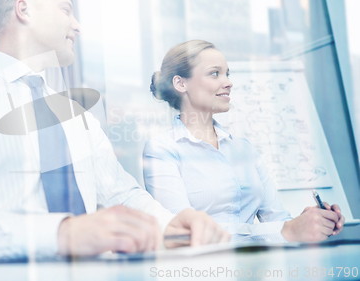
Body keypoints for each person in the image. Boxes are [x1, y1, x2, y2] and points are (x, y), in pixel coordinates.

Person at [0, 0, 230, 265]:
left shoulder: (76, 116)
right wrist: (61, 234)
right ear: (24, 10)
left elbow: (120, 194)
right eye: (66, 10)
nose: (77, 25)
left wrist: (169, 225)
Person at [143, 39, 346, 243]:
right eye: (215, 73)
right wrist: (285, 230)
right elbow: (182, 233)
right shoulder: (162, 149)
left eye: (227, 74)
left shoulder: (243, 148)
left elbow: (277, 219)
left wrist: (308, 222)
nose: (228, 82)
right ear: (180, 83)